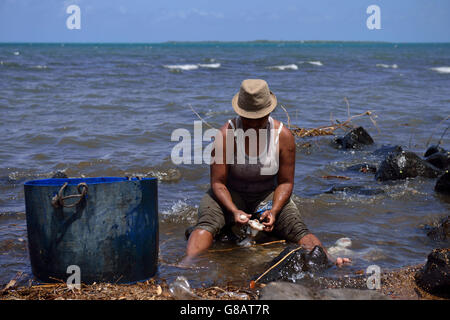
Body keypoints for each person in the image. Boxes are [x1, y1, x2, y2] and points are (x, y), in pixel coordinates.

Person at [183, 79, 350, 266]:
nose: (253, 125)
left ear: (268, 112)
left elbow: (285, 183)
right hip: (230, 194)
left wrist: (275, 210)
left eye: (259, 119)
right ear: (239, 113)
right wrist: (234, 210)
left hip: (266, 195)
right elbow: (218, 183)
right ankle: (187, 264)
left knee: (298, 229)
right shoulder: (225, 134)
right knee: (207, 224)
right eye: (248, 119)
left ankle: (328, 261)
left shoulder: (283, 136)